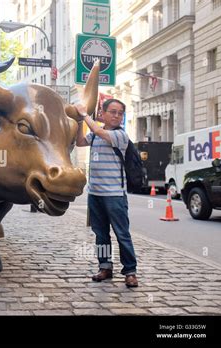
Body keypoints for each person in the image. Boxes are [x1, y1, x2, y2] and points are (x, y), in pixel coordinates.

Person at [75, 98, 138, 288]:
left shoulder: (120, 136)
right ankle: (105, 267)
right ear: (102, 113)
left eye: (120, 113)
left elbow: (98, 131)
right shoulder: (94, 136)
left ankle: (130, 271)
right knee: (101, 234)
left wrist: (84, 114)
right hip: (95, 193)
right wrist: (79, 122)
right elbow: (79, 142)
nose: (117, 116)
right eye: (113, 111)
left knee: (122, 234)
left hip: (115, 195)